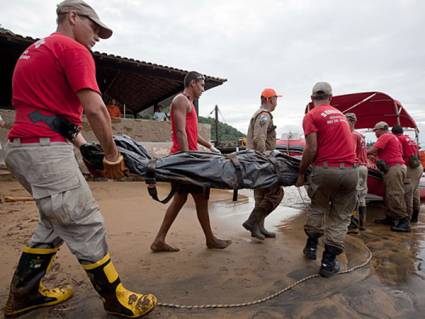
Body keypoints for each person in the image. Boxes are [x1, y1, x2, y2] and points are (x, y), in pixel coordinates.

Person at [3, 1, 156, 318]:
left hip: (21, 148)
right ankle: (116, 299)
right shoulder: (73, 50)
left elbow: (48, 113)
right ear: (72, 17)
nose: (97, 36)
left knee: (55, 220)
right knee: (85, 221)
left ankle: (25, 294)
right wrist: (112, 155)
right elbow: (97, 109)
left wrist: (84, 145)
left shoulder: (35, 51)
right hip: (44, 151)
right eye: (94, 27)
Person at [150, 71, 232, 252]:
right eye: (202, 85)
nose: (203, 89)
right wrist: (189, 159)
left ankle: (159, 240)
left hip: (186, 159)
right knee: (201, 197)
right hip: (183, 160)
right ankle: (210, 240)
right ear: (193, 83)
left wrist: (209, 146)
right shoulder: (180, 100)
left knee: (181, 199)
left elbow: (192, 133)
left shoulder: (189, 104)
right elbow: (180, 132)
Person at [295, 82, 358, 278]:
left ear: (312, 98)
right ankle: (328, 263)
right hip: (350, 171)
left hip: (325, 170)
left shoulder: (311, 116)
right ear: (331, 98)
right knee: (340, 218)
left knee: (318, 207)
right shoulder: (341, 115)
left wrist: (301, 172)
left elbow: (311, 148)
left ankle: (311, 248)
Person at [242, 88, 284, 240]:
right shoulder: (264, 115)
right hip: (261, 161)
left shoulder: (259, 114)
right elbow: (259, 139)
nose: (276, 102)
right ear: (268, 100)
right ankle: (252, 222)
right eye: (275, 99)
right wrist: (265, 160)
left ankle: (258, 228)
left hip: (255, 161)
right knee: (276, 193)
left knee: (261, 196)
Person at [368, 121, 409, 232]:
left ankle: (404, 220)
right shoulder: (393, 137)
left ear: (381, 129)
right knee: (388, 194)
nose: (375, 133)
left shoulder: (385, 136)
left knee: (394, 194)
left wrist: (362, 152)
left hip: (393, 168)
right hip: (397, 166)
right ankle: (391, 217)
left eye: (375, 130)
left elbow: (373, 150)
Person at [392, 125, 424, 223]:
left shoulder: (398, 139)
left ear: (394, 133)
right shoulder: (409, 138)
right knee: (415, 192)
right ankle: (414, 217)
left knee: (407, 193)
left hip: (410, 168)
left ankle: (406, 220)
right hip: (418, 167)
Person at [345, 113, 369, 233]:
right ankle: (362, 224)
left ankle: (353, 225)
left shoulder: (352, 135)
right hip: (364, 167)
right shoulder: (360, 135)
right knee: (362, 196)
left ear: (350, 121)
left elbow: (351, 153)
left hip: (357, 167)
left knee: (353, 196)